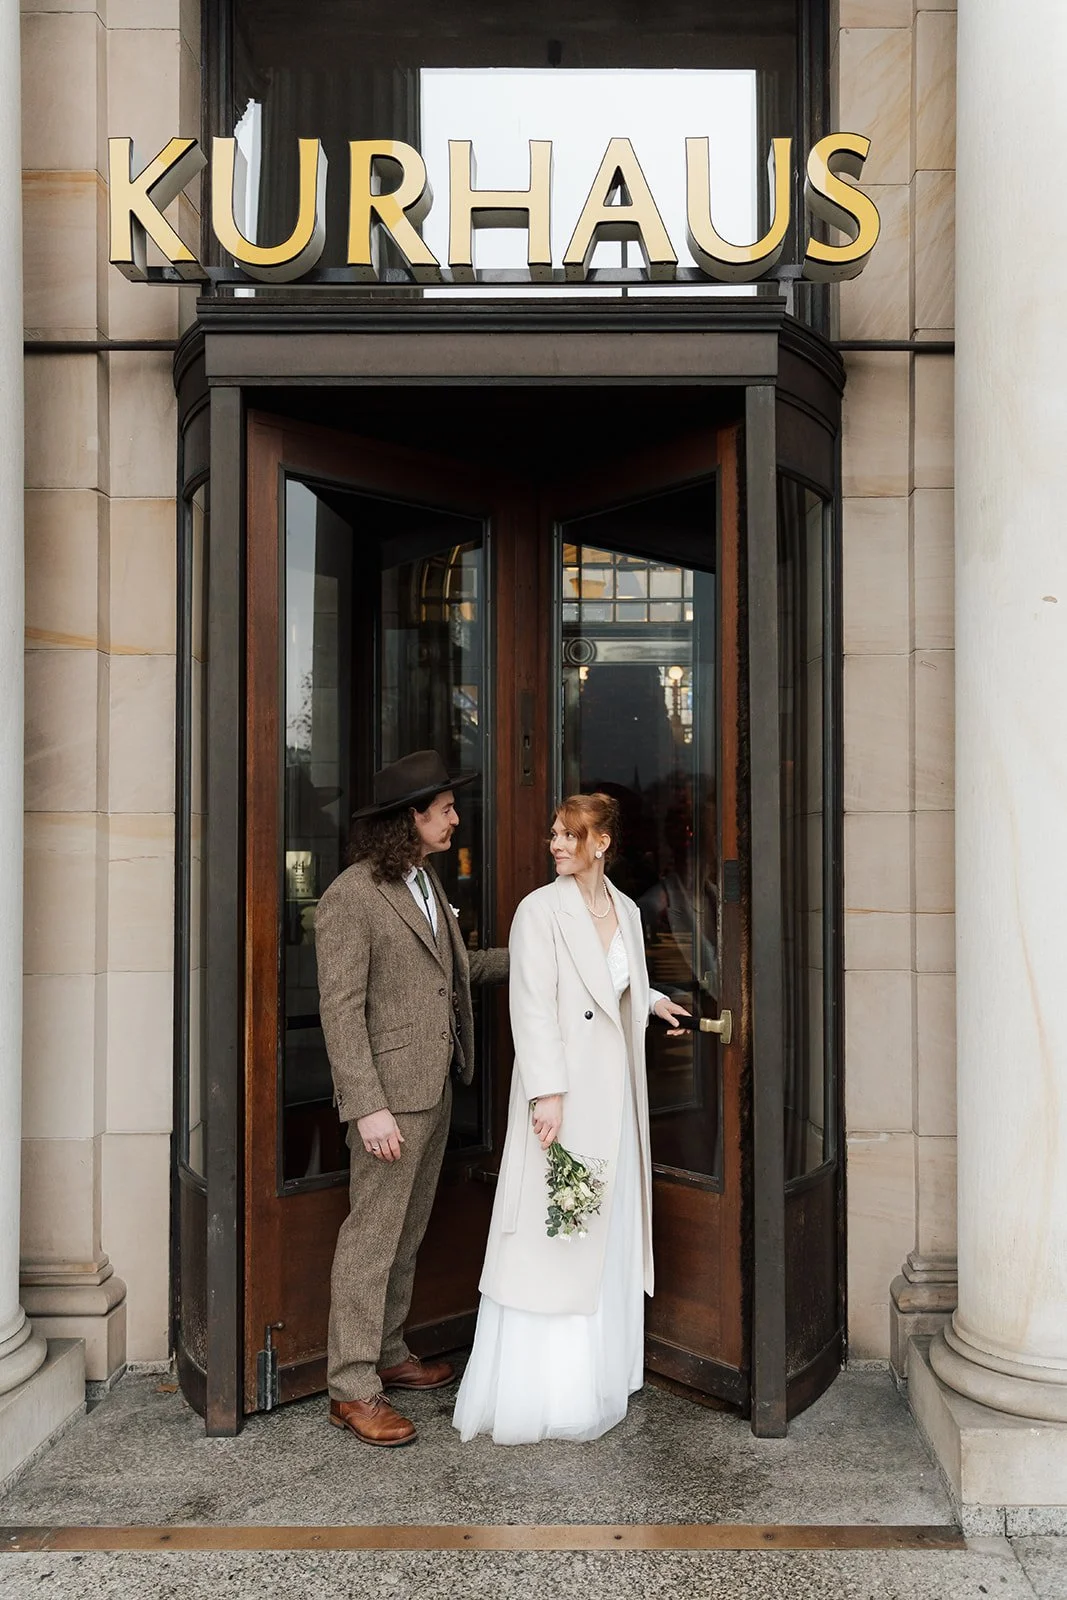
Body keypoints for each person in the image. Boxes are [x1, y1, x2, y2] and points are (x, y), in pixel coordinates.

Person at [453, 792, 689, 1444]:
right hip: (562, 1102)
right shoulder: (539, 910)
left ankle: (603, 1372)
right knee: (558, 1232)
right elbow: (531, 1006)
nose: (556, 844)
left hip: (614, 1101)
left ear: (601, 843)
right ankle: (550, 1392)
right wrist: (547, 1095)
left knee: (602, 1228)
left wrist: (654, 1000)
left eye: (569, 834)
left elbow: (617, 985)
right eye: (554, 833)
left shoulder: (627, 911)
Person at [315, 749, 509, 1447]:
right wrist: (366, 1107)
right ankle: (352, 1387)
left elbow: (458, 973)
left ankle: (389, 1354)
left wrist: (547, 953)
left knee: (407, 1232)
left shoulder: (424, 882)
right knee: (371, 1239)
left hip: (432, 1088)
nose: (456, 818)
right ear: (412, 818)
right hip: (388, 1101)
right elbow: (340, 1010)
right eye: (446, 809)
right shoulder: (350, 895)